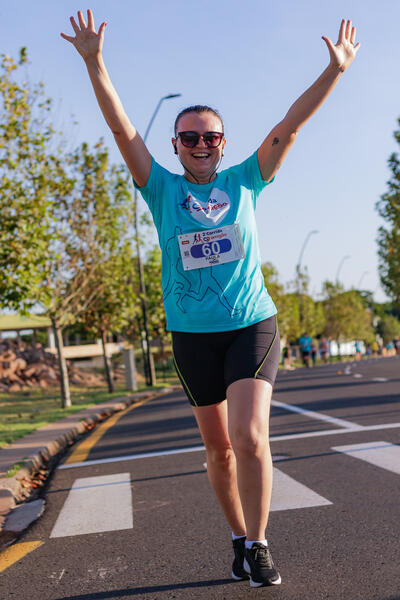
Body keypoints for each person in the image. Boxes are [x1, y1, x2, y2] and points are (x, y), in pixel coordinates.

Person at [61, 11, 359, 588]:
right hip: (192, 333)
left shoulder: (247, 178)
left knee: (250, 438)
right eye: (190, 137)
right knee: (219, 450)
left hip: (251, 323)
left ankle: (262, 541)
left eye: (211, 136)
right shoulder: (161, 189)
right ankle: (238, 539)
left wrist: (335, 71)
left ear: (223, 144)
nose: (201, 144)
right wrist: (95, 63)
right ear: (176, 146)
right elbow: (124, 133)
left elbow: (289, 126)